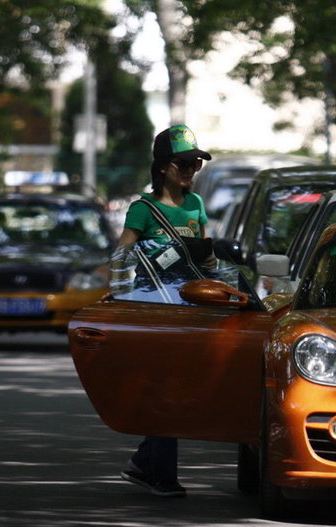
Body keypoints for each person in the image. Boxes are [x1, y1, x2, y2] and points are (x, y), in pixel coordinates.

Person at [115, 124, 213, 498]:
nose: (190, 169)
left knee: (179, 390)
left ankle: (145, 461)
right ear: (162, 167)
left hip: (190, 309)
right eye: (183, 162)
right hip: (155, 311)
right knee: (166, 388)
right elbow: (121, 255)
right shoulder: (143, 209)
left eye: (196, 163)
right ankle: (162, 474)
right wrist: (119, 293)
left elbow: (209, 260)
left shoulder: (196, 206)